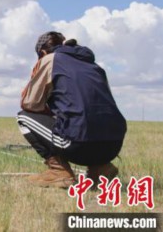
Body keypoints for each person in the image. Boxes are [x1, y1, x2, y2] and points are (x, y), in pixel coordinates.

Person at [16, 31, 126, 188]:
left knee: (24, 117)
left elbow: (30, 103)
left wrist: (50, 111)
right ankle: (101, 168)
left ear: (43, 52)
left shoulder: (50, 59)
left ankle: (59, 171)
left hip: (78, 145)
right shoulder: (93, 65)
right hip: (114, 144)